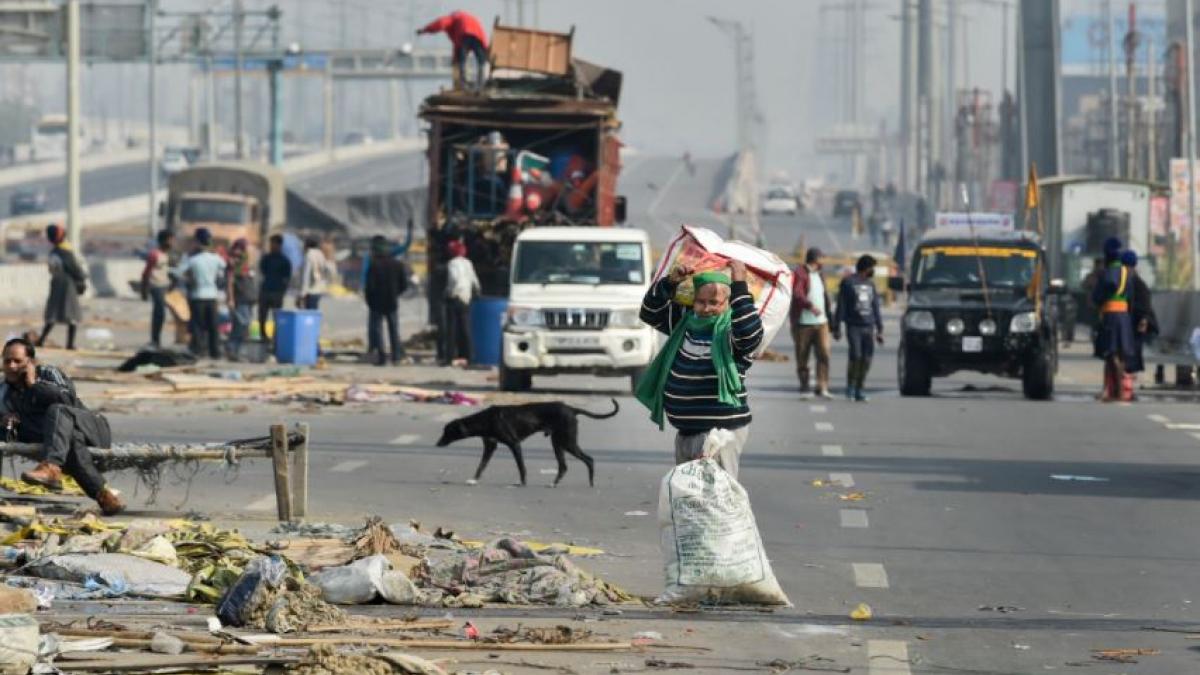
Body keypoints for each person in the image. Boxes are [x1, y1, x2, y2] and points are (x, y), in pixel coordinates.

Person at [636, 262, 763, 479]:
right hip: (685, 434)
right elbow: (649, 313)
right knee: (689, 503)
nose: (706, 309)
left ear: (728, 303)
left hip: (719, 436)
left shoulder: (731, 332)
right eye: (700, 302)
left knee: (714, 504)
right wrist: (670, 282)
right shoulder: (685, 324)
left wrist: (740, 285)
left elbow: (750, 336)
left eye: (714, 302)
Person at [0, 338, 124, 515]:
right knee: (69, 438)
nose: (11, 366)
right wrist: (4, 419)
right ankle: (104, 496)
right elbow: (11, 427)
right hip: (63, 440)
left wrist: (34, 384)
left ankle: (51, 466)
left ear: (31, 362)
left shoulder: (49, 373)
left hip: (91, 428)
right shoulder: (4, 392)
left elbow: (68, 400)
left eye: (17, 361)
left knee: (57, 411)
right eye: (7, 361)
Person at [833, 255, 884, 402]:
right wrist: (837, 327)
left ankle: (860, 388)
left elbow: (875, 307)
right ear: (866, 267)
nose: (872, 270)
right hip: (854, 326)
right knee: (856, 356)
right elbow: (841, 306)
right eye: (872, 267)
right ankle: (850, 386)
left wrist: (880, 328)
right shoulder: (848, 283)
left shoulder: (871, 285)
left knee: (867, 359)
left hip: (869, 326)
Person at [1091, 238, 1136, 402]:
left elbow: (1097, 297)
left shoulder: (1106, 273)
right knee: (1121, 355)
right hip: (1124, 317)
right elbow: (1130, 298)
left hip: (1110, 316)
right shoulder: (1126, 273)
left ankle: (1116, 391)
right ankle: (1114, 391)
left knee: (1111, 354)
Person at [362, 219, 415, 356]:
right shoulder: (395, 262)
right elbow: (405, 246)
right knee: (393, 328)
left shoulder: (372, 261)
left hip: (376, 300)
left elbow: (367, 281)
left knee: (375, 327)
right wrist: (396, 293)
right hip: (391, 299)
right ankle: (396, 355)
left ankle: (379, 353)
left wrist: (368, 298)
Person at [790, 247, 833, 397]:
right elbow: (797, 293)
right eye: (822, 258)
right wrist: (810, 306)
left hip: (821, 323)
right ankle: (804, 386)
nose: (823, 261)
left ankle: (822, 386)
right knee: (803, 356)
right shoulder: (800, 273)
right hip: (803, 323)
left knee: (824, 354)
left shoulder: (820, 274)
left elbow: (824, 296)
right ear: (815, 259)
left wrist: (830, 317)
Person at [178, 228, 226, 360]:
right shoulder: (216, 258)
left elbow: (179, 272)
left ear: (197, 241)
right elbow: (225, 269)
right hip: (212, 296)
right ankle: (215, 352)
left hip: (197, 296)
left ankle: (198, 350)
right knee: (213, 326)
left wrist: (188, 279)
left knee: (198, 325)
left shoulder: (193, 260)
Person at [37, 224, 86, 351]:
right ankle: (70, 344)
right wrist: (82, 279)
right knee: (72, 314)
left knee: (52, 313)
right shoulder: (65, 251)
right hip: (67, 284)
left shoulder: (54, 251)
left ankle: (41, 339)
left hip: (56, 283)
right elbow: (75, 269)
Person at [418, 10, 489, 91]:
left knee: (462, 61)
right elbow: (457, 47)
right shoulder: (467, 18)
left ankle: (463, 85)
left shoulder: (453, 18)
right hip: (478, 37)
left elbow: (440, 23)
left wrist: (425, 30)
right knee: (481, 61)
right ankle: (481, 85)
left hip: (464, 34)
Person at [1121, 249, 1157, 397]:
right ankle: (1125, 387)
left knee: (1132, 355)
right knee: (1127, 355)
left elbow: (1146, 305)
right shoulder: (1127, 281)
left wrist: (1143, 320)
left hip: (1137, 323)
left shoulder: (1138, 283)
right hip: (1128, 322)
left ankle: (1128, 389)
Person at [444, 239, 480, 366]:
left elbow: (453, 278)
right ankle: (469, 356)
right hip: (466, 297)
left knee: (451, 329)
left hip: (455, 297)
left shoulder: (452, 263)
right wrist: (476, 291)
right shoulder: (468, 263)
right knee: (465, 328)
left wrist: (449, 291)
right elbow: (474, 279)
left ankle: (449, 357)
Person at [141, 230, 176, 347]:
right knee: (159, 313)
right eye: (170, 240)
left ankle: (156, 340)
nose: (172, 242)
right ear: (164, 240)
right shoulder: (154, 254)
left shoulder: (166, 255)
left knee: (160, 314)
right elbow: (146, 273)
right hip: (156, 286)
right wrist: (144, 290)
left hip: (164, 286)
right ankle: (155, 340)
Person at [225, 239, 258, 361]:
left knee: (245, 326)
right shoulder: (233, 263)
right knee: (240, 324)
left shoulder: (246, 264)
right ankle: (231, 348)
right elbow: (229, 282)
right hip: (240, 299)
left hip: (248, 299)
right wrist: (231, 299)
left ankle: (235, 351)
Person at [258, 234, 292, 337]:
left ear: (279, 245)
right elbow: (262, 271)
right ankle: (263, 336)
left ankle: (275, 338)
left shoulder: (285, 260)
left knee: (277, 317)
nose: (272, 246)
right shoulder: (266, 258)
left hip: (277, 292)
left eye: (274, 243)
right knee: (262, 316)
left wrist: (282, 291)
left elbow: (287, 278)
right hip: (265, 290)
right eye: (271, 243)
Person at [298, 237, 331, 310]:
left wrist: (303, 293)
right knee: (314, 312)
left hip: (310, 290)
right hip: (319, 289)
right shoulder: (320, 254)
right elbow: (326, 270)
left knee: (308, 314)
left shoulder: (309, 255)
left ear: (306, 245)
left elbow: (306, 274)